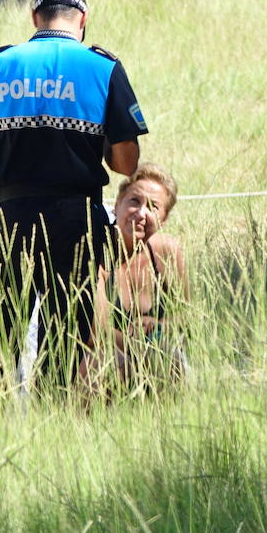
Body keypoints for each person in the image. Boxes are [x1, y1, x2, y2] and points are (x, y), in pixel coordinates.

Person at [0, 0, 149, 392]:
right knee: (67, 339)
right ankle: (56, 413)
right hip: (76, 217)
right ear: (82, 20)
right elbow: (127, 162)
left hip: (13, 217)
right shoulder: (103, 67)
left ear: (34, 18)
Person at [84, 164, 189, 393]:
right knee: (110, 364)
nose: (142, 213)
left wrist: (160, 325)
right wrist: (141, 348)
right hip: (101, 356)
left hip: (156, 352)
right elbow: (96, 332)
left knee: (173, 363)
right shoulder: (95, 252)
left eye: (153, 207)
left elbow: (188, 317)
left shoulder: (169, 254)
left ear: (164, 218)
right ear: (117, 205)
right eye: (134, 201)